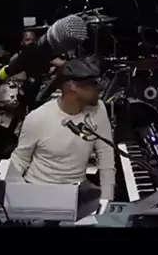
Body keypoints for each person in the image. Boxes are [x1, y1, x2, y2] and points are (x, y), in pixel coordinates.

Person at [7, 57, 116, 200]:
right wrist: (17, 197)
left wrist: (107, 202)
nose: (99, 89)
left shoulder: (98, 110)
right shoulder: (38, 118)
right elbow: (20, 158)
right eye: (93, 84)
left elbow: (106, 156)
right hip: (40, 188)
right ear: (74, 87)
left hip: (76, 189)